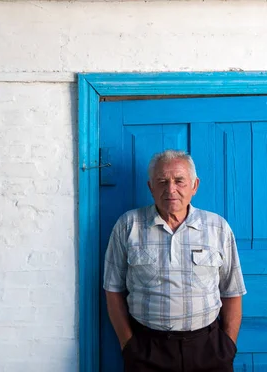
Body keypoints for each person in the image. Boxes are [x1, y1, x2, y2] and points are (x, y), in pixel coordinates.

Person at [103, 150, 247, 372]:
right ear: (151, 187)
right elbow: (112, 289)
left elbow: (232, 290)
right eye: (162, 181)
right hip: (147, 349)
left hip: (208, 349)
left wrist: (228, 345)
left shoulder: (218, 228)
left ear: (194, 185)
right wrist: (128, 344)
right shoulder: (128, 226)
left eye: (179, 181)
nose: (171, 189)